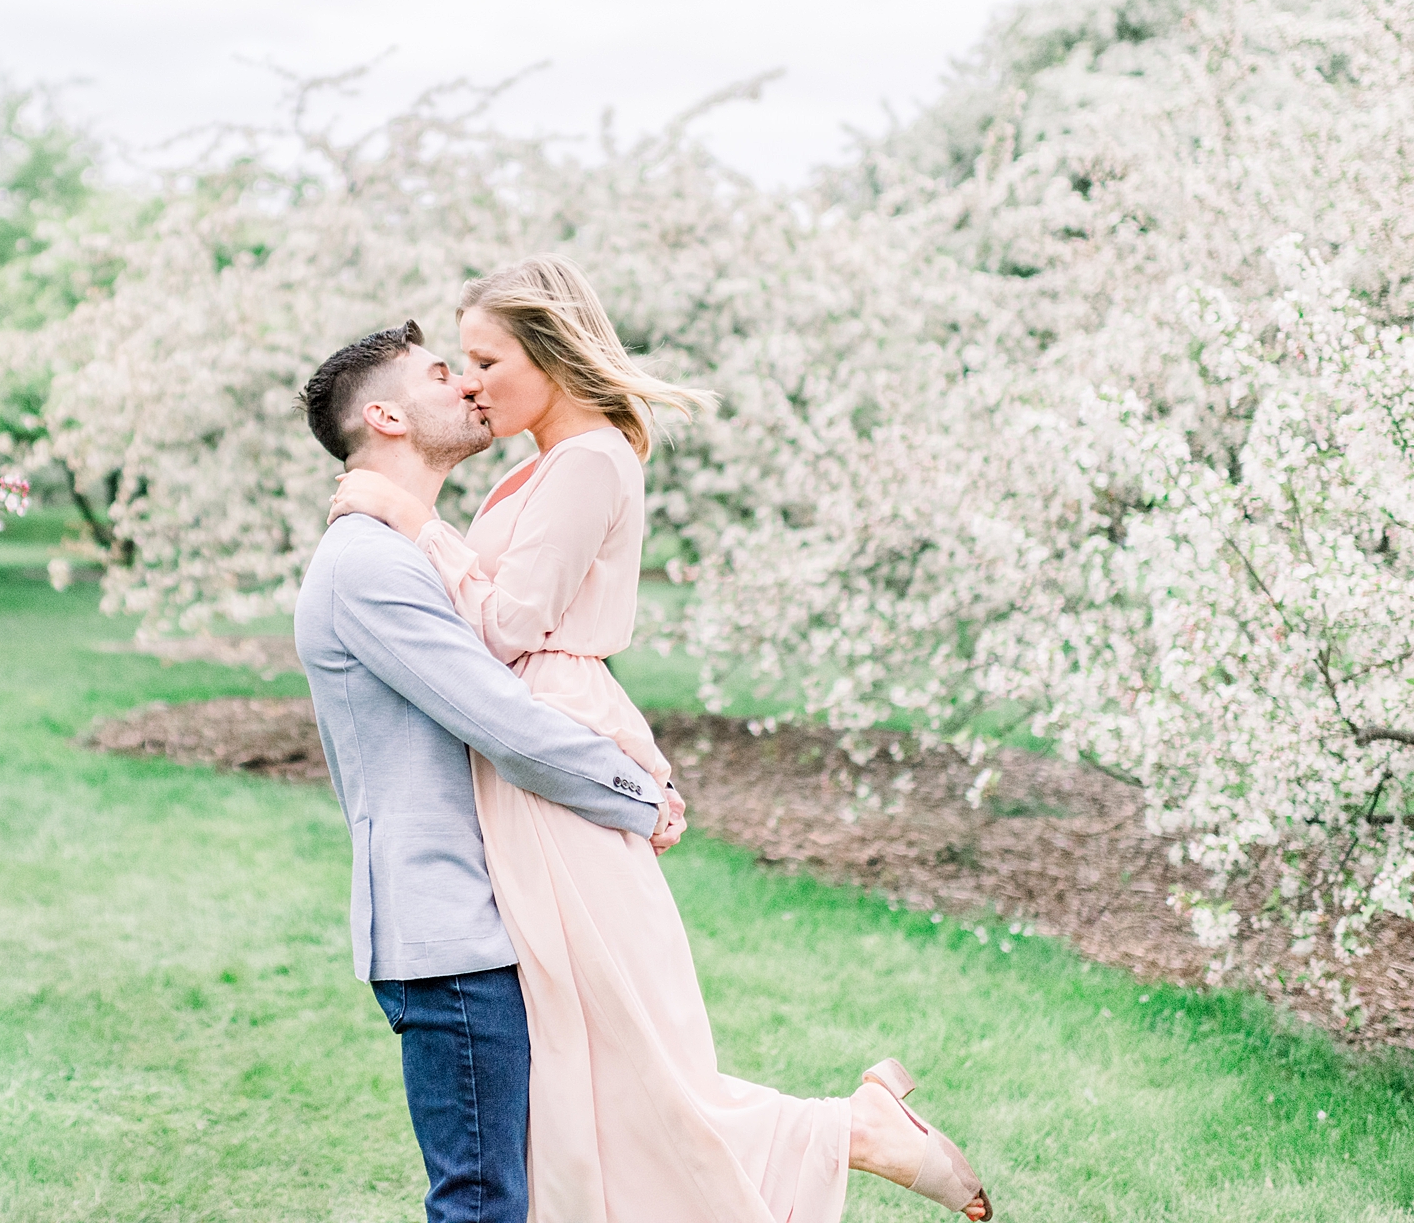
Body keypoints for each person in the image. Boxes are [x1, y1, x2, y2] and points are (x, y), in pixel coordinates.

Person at [327, 256, 994, 1222]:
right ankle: (847, 1130)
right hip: (537, 748)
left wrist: (410, 522)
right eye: (459, 364)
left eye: (483, 359)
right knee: (580, 1058)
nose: (469, 383)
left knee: (624, 1047)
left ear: (549, 355)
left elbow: (513, 628)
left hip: (543, 756)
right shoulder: (542, 469)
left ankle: (852, 1133)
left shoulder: (590, 459)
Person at [293, 320, 685, 1223]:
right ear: (387, 415)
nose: (470, 386)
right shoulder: (367, 565)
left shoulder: (406, 548)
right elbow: (501, 720)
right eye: (444, 373)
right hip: (452, 938)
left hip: (491, 919)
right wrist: (636, 791)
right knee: (480, 1203)